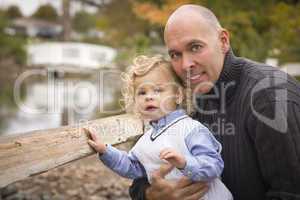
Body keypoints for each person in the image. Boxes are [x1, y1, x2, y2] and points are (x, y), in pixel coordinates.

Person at [129, 4, 300, 200]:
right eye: (175, 54)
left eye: (195, 47)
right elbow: (139, 175)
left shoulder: (270, 97)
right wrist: (151, 195)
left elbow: (290, 193)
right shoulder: (182, 99)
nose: (186, 65)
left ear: (223, 41)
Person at [85, 55, 233, 200]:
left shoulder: (191, 129)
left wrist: (184, 163)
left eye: (158, 90)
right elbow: (132, 167)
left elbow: (214, 165)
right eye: (142, 92)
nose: (149, 97)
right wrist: (105, 150)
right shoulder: (145, 141)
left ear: (178, 95)